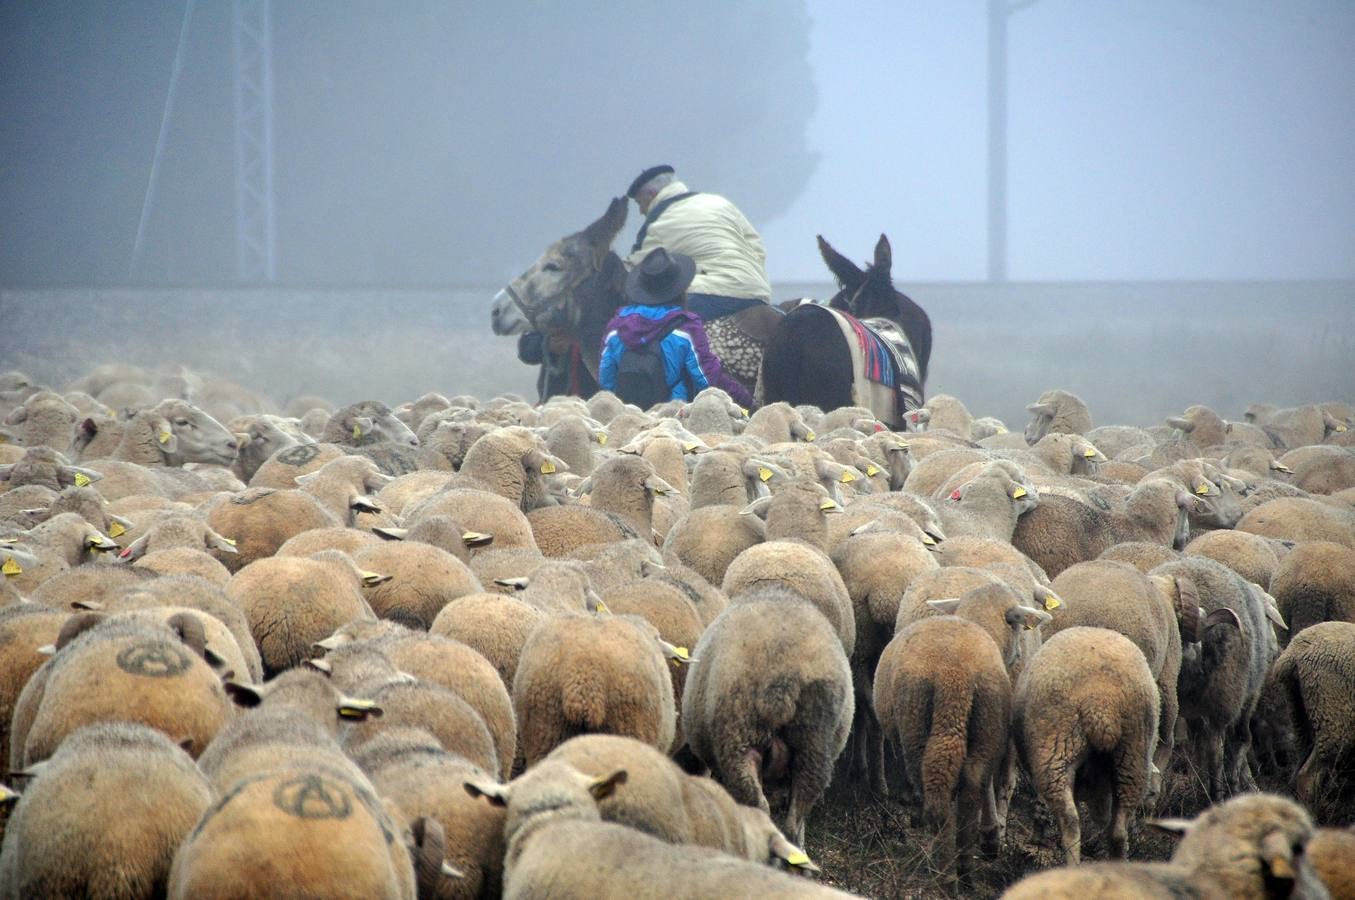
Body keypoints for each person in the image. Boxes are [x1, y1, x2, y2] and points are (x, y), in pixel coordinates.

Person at [599, 247, 754, 409]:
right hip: (671, 417)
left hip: (628, 416)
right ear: (678, 288)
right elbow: (707, 379)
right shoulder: (685, 327)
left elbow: (606, 380)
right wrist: (746, 402)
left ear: (641, 286)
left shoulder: (615, 327)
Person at [625, 165, 772, 323]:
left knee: (649, 331)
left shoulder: (659, 222)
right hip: (758, 292)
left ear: (651, 194)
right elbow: (757, 248)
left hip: (710, 293)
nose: (641, 211)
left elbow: (637, 270)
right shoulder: (720, 203)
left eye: (640, 203)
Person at [517, 329, 598, 403]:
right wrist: (546, 344)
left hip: (599, 405)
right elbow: (526, 350)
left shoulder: (605, 315)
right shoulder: (545, 314)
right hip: (554, 404)